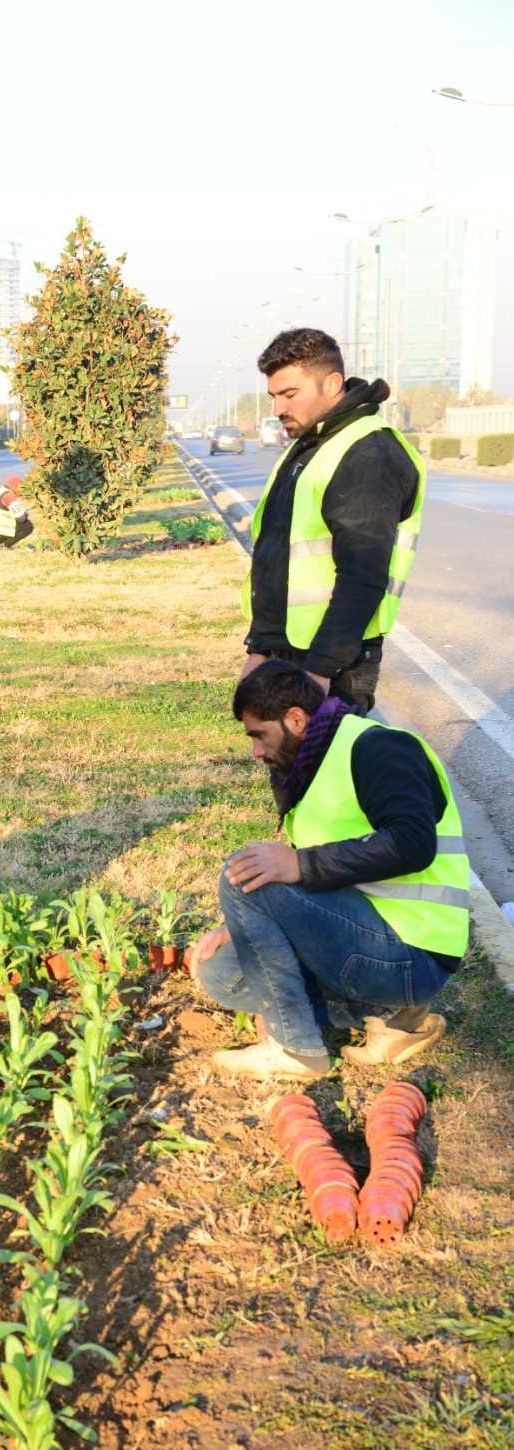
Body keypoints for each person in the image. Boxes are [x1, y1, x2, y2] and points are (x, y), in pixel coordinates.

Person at [189, 661, 469, 1081]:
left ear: (296, 720)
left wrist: (297, 864)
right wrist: (242, 924)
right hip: (368, 938)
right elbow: (312, 886)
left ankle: (294, 1050)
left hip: (414, 952)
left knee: (242, 872)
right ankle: (393, 1018)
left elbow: (412, 843)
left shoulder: (379, 748)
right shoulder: (311, 767)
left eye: (259, 735)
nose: (256, 752)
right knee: (223, 971)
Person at [241, 327, 425, 712]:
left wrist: (319, 673)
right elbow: (277, 560)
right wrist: (258, 649)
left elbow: (363, 576)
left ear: (332, 383)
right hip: (287, 656)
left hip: (332, 668)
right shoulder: (309, 447)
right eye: (273, 396)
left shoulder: (367, 452)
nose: (278, 410)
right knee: (291, 771)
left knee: (329, 770)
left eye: (290, 394)